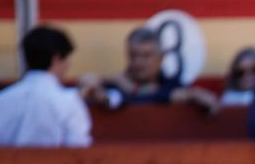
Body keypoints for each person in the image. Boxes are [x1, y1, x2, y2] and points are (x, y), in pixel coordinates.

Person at [0, 25, 93, 148]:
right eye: (67, 59)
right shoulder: (69, 102)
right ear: (56, 59)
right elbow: (78, 153)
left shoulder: (0, 101)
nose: (69, 65)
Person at [82, 26, 221, 113]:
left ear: (161, 58)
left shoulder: (173, 85)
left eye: (146, 56)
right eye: (134, 55)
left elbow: (154, 96)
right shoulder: (112, 85)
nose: (138, 62)